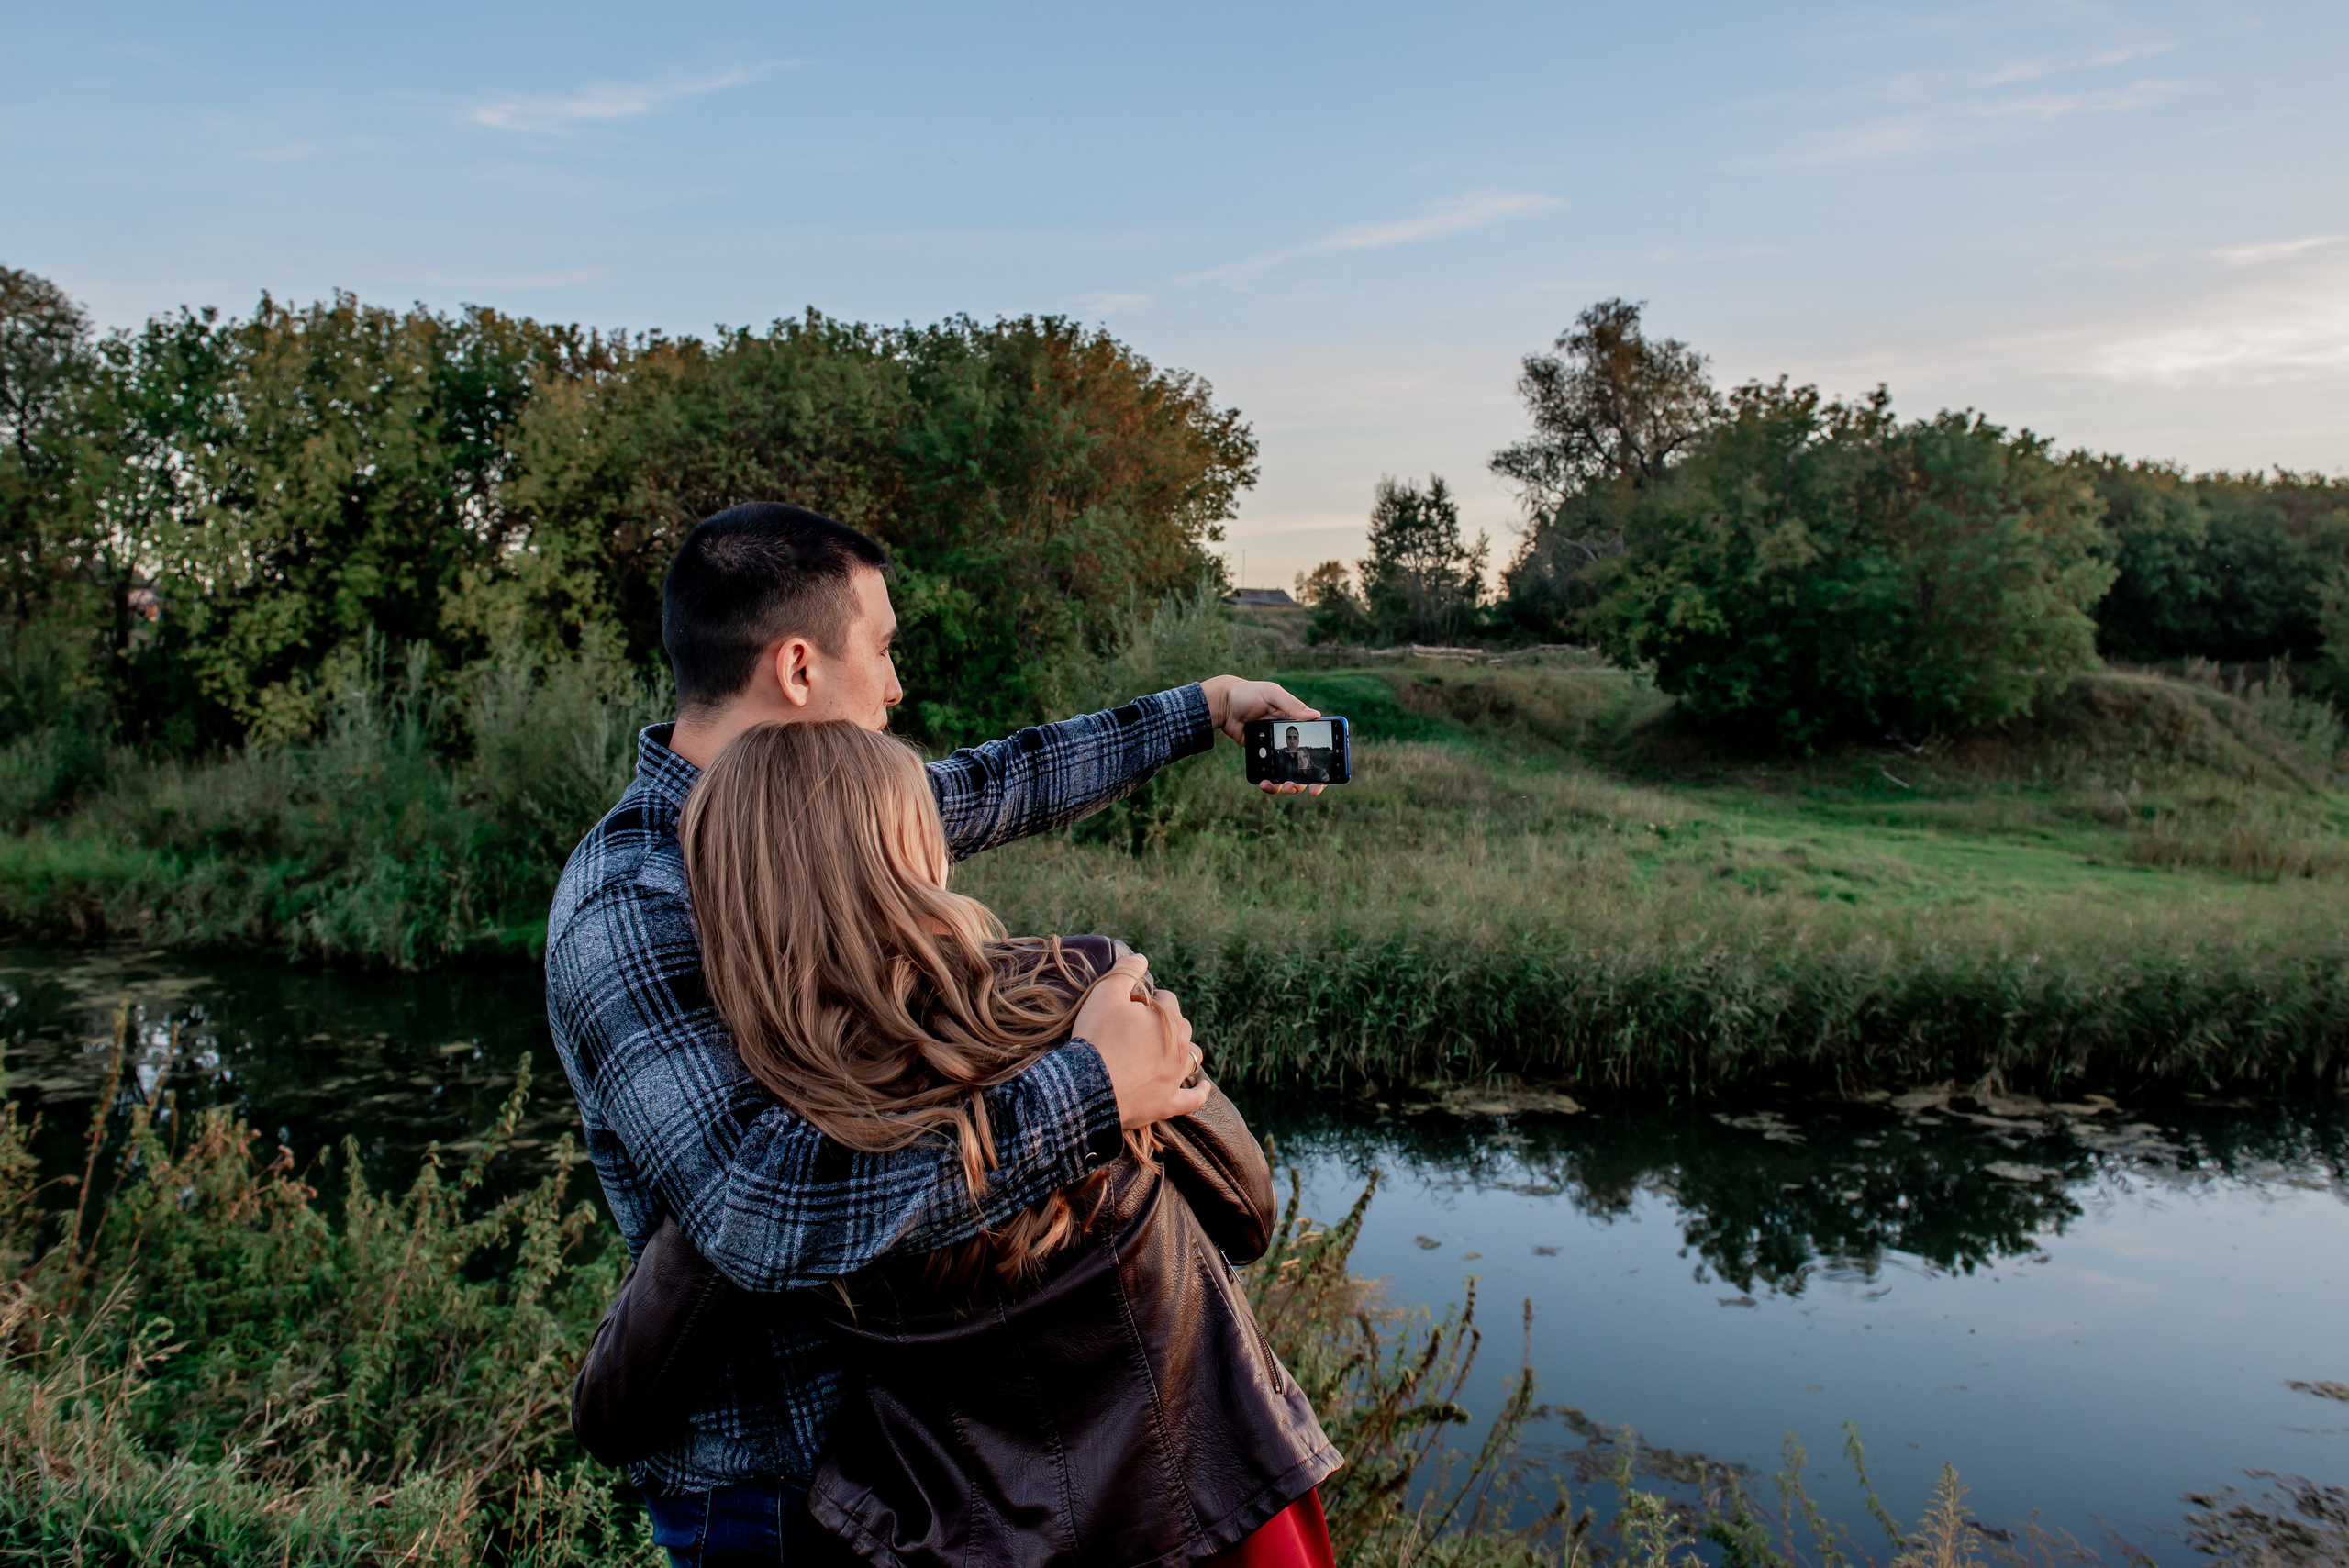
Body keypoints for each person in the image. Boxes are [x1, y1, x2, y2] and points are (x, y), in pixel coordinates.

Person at [544, 502, 1325, 1563]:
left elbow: (1001, 779)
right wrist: (1093, 1090)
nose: (897, 685)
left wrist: (1208, 706)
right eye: (882, 647)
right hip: (769, 1483)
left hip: (909, 1461)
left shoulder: (818, 811)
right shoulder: (630, 903)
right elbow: (762, 1210)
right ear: (798, 667)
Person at [681, 719, 1340, 1568]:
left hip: (967, 1544)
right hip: (1201, 1503)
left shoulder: (771, 1130)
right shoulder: (1077, 991)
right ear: (909, 855)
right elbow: (1247, 1207)